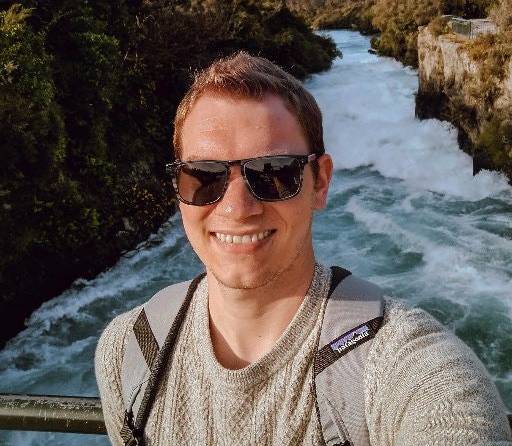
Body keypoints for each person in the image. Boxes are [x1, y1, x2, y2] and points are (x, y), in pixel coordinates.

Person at [95, 52, 512, 445]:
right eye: (204, 175)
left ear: (320, 182)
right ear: (178, 186)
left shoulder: (398, 363)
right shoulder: (130, 351)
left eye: (273, 172)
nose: (237, 208)